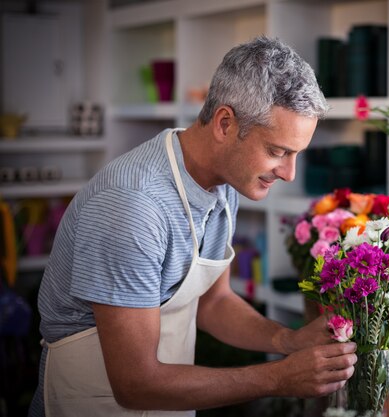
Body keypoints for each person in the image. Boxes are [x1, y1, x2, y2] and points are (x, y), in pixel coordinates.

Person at [29, 36, 357, 416]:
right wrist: (279, 378)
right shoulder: (133, 206)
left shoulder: (226, 181)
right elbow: (135, 385)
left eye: (296, 154)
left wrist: (289, 339)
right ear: (224, 124)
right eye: (277, 152)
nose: (288, 173)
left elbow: (213, 303)